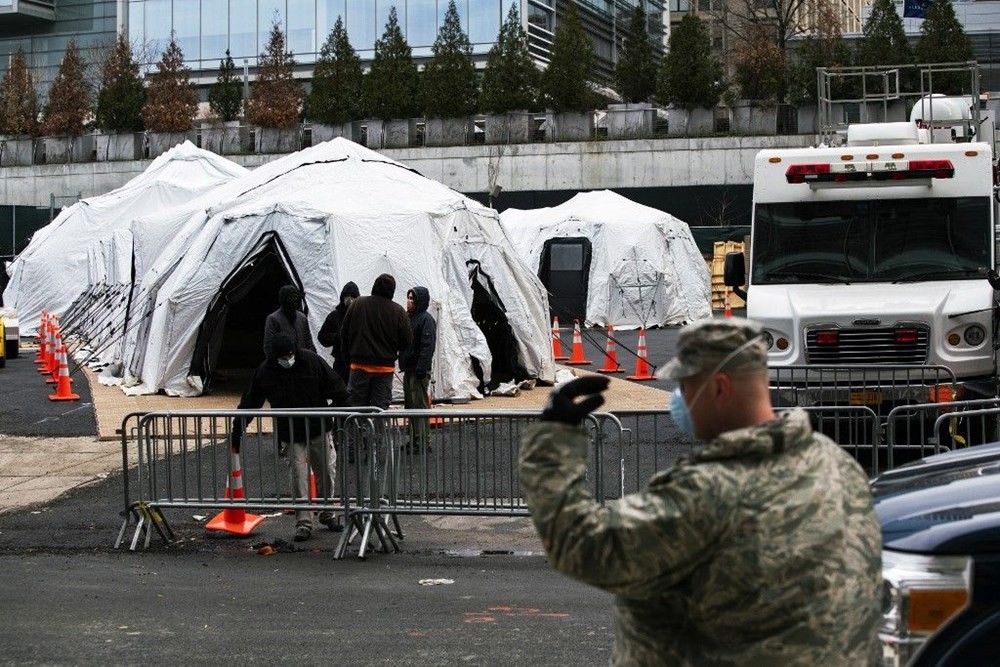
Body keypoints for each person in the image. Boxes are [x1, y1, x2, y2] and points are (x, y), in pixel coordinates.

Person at [518, 318, 883, 665]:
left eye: (685, 386)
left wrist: (553, 441)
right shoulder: (837, 465)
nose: (677, 397)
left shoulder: (709, 491)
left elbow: (580, 543)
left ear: (720, 387)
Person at [230, 333, 349, 542]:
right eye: (284, 357)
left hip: (317, 428)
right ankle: (304, 522)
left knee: (327, 471)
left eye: (290, 355)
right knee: (298, 477)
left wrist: (340, 409)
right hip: (293, 433)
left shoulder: (311, 361)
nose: (288, 360)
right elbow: (251, 401)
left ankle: (327, 511)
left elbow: (336, 386)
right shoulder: (266, 371)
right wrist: (238, 427)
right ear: (275, 357)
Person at [339, 273, 411, 409]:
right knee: (380, 410)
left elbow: (344, 334)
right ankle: (377, 431)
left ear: (374, 286)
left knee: (356, 409)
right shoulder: (398, 311)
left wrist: (348, 359)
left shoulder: (358, 304)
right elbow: (407, 341)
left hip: (358, 366)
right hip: (384, 369)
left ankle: (357, 431)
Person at [399, 286, 437, 453]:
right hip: (409, 369)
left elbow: (427, 346)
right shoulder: (410, 318)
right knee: (410, 406)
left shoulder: (426, 320)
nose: (409, 302)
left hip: (418, 370)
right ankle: (414, 439)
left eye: (412, 299)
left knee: (419, 406)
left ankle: (422, 441)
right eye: (408, 298)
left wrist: (422, 367)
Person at [318, 281, 360, 383]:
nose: (349, 299)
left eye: (352, 296)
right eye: (347, 296)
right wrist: (337, 337)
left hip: (358, 362)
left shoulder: (362, 315)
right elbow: (322, 337)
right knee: (340, 392)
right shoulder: (335, 316)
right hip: (340, 363)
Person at [263, 285, 315, 360]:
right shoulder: (273, 319)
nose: (294, 301)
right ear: (283, 299)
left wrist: (309, 358)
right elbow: (268, 346)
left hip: (303, 362)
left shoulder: (302, 317)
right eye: (291, 298)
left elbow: (309, 341)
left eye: (295, 297)